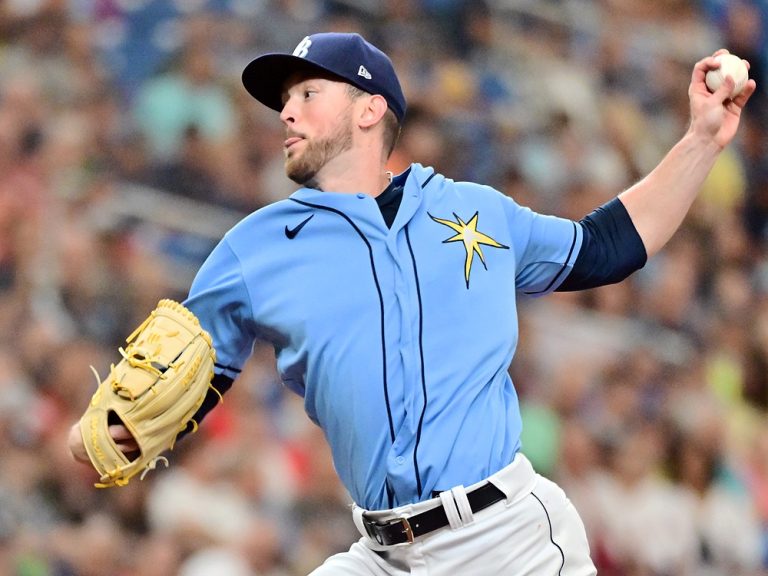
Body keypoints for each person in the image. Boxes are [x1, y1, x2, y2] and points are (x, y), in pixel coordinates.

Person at [68, 31, 755, 574]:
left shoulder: (471, 211)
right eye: (285, 100)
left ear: (371, 109)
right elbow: (194, 383)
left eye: (308, 92)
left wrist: (700, 140)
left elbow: (606, 247)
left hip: (506, 539)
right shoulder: (255, 249)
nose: (286, 110)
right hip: (382, 553)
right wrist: (116, 431)